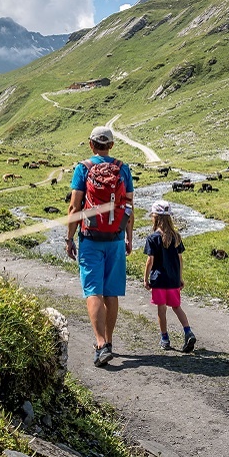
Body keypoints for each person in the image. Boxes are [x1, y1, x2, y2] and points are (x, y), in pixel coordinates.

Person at [66, 125, 135, 367]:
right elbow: (129, 207)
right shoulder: (123, 168)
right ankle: (110, 342)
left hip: (91, 238)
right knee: (111, 292)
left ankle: (100, 343)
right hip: (115, 238)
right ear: (111, 145)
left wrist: (69, 238)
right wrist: (128, 237)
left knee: (93, 291)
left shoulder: (83, 168)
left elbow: (74, 207)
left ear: (91, 144)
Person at [144, 200, 197, 353]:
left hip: (159, 280)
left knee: (161, 310)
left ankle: (165, 338)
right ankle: (188, 331)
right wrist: (180, 277)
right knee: (176, 307)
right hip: (173, 279)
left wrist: (145, 279)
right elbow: (180, 259)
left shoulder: (153, 238)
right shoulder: (176, 237)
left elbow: (150, 261)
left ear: (155, 217)